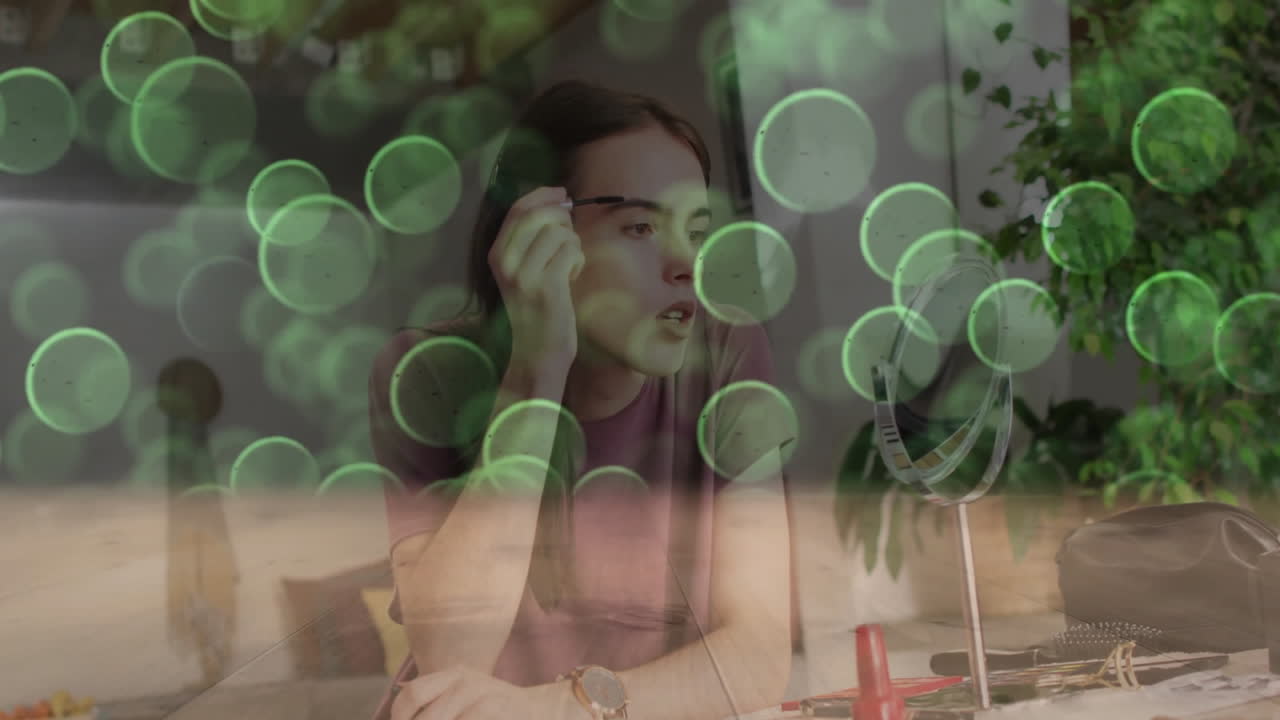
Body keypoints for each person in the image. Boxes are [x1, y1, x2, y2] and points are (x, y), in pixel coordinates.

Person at [368, 80, 796, 720]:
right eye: (641, 225)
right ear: (534, 234)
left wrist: (556, 710)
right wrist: (536, 371)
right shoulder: (426, 372)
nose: (687, 265)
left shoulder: (728, 352)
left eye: (697, 231)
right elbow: (448, 653)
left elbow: (758, 658)